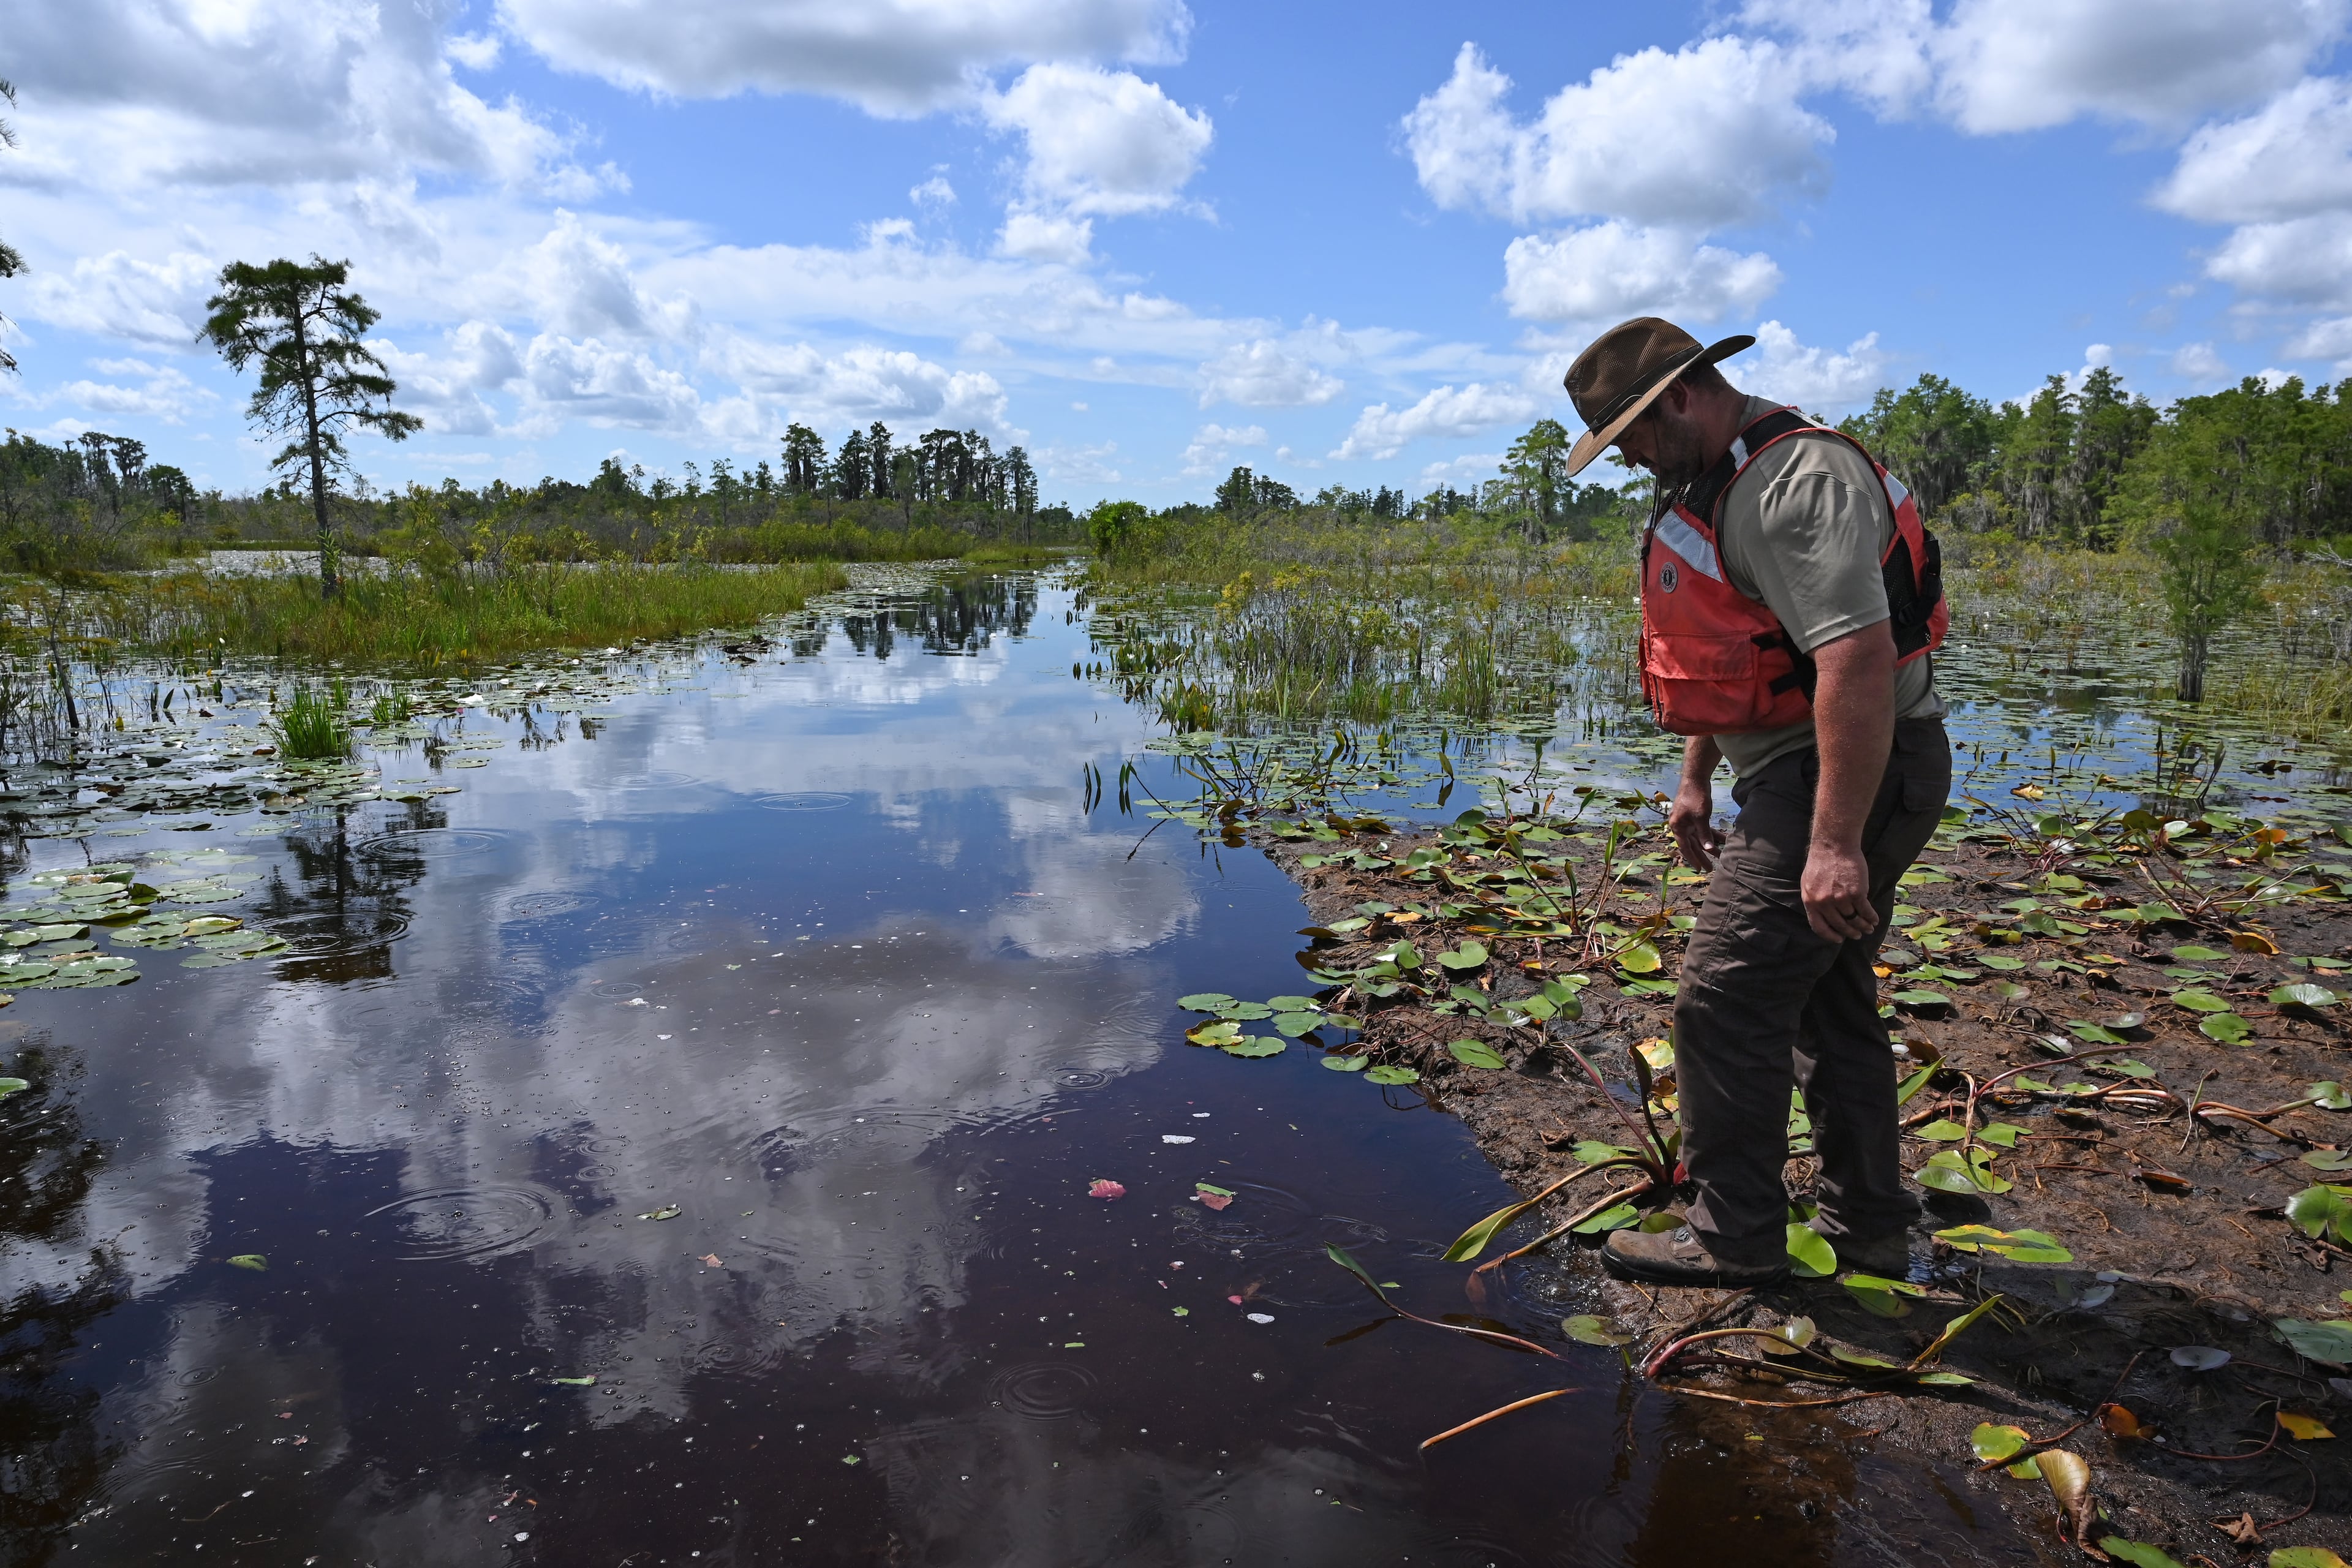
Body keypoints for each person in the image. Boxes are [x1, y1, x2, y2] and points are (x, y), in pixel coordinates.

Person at [1559, 317, 1953, 1288]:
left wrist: (1834, 844)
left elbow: (1854, 660)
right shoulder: (1721, 477)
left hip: (1851, 771)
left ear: (1682, 397)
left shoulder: (1792, 484)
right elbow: (1740, 649)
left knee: (1726, 1000)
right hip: (1811, 769)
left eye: (1635, 438)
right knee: (1827, 997)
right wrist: (1697, 778)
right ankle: (1868, 1226)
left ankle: (1733, 1238)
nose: (1633, 460)